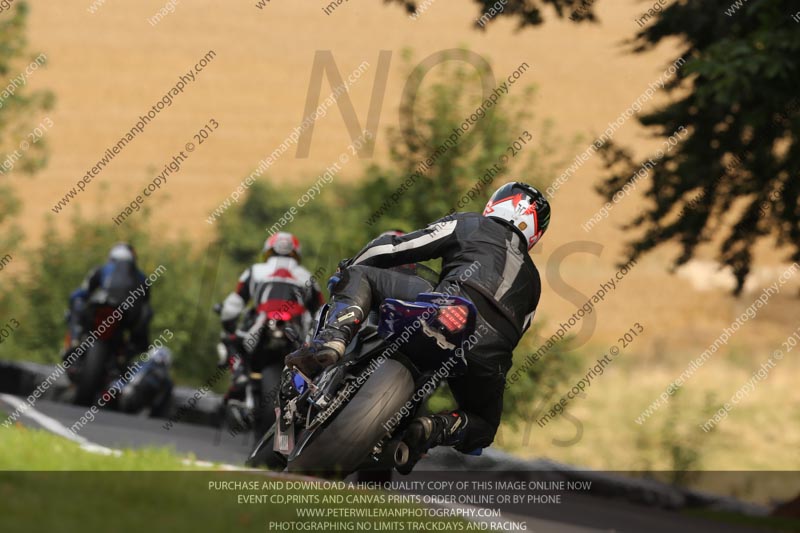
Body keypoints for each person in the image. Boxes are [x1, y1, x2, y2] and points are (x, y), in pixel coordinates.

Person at [285, 182, 551, 459]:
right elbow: (519, 330)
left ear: (495, 204)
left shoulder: (470, 223)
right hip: (490, 353)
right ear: (535, 232)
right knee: (484, 427)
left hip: (449, 306)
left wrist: (352, 266)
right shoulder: (534, 281)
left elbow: (393, 248)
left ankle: (334, 339)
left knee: (360, 275)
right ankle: (435, 428)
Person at [218, 232, 324, 403]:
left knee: (231, 340)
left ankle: (239, 376)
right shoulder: (308, 277)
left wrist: (228, 323)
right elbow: (320, 310)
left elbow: (235, 302)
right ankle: (307, 387)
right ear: (296, 253)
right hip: (295, 331)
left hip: (261, 322)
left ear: (268, 251)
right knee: (314, 354)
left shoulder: (254, 271)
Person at [65, 243, 152, 363]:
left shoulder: (101, 269)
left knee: (78, 303)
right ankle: (128, 353)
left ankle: (75, 338)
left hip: (103, 311)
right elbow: (145, 305)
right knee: (145, 318)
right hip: (124, 318)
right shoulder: (142, 277)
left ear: (112, 258)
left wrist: (72, 305)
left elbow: (81, 292)